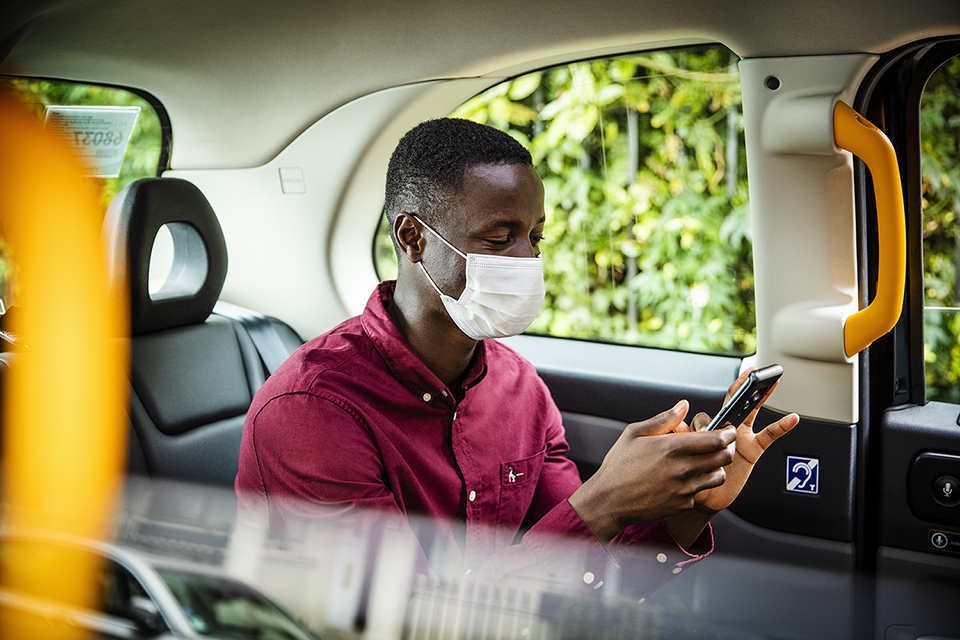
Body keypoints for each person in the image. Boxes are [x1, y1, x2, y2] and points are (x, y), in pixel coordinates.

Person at [235, 118, 799, 595]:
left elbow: (587, 580)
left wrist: (688, 507)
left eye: (536, 237)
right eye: (499, 238)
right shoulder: (313, 411)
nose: (527, 260)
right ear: (412, 238)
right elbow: (404, 620)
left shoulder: (519, 387)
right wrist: (601, 501)